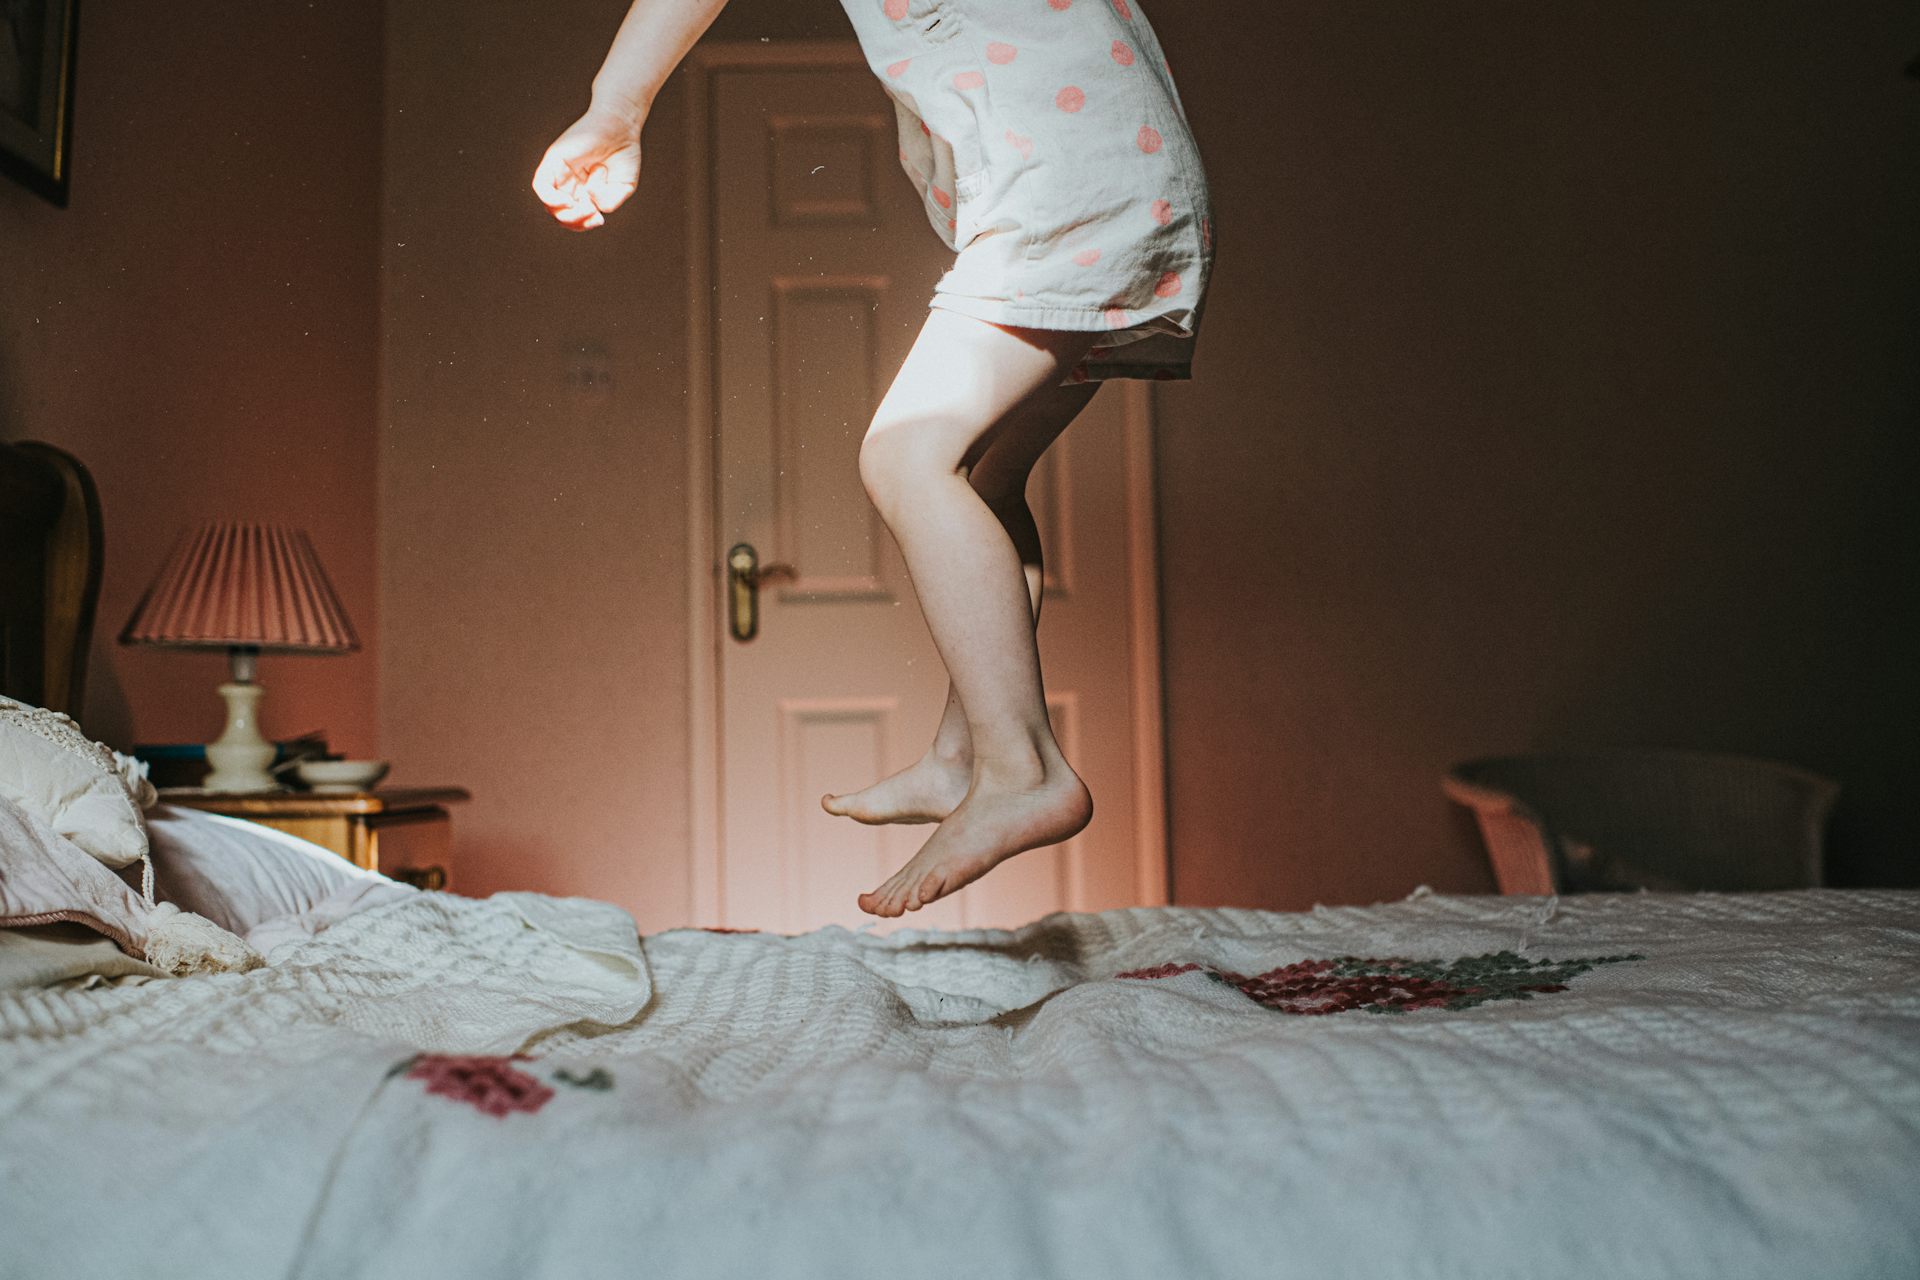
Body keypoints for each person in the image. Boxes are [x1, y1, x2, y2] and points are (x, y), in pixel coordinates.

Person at [534, 0, 1212, 917]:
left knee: (905, 456)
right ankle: (966, 754)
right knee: (980, 475)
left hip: (1072, 184)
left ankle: (1022, 769)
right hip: (1108, 175)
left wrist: (615, 107)